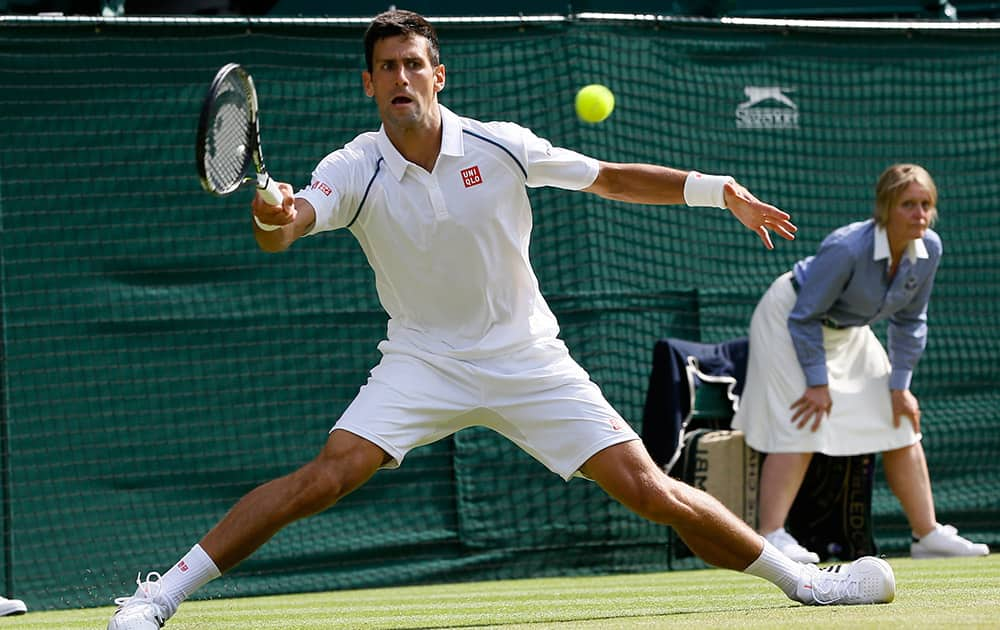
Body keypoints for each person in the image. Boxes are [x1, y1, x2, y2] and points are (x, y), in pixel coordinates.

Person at [107, 10, 896, 629]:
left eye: (414, 63)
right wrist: (273, 212)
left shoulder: (502, 145)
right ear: (369, 85)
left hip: (526, 356)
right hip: (422, 360)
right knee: (326, 476)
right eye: (386, 68)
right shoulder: (353, 166)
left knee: (650, 490)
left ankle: (807, 585)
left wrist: (714, 185)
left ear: (438, 74)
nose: (401, 77)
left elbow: (611, 178)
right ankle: (157, 598)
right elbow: (285, 229)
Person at [732, 163, 990, 563]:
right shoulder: (847, 247)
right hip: (790, 320)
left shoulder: (930, 249)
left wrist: (900, 386)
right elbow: (804, 316)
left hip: (847, 330)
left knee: (900, 416)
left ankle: (927, 535)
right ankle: (773, 536)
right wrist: (817, 384)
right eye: (908, 204)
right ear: (885, 208)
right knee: (802, 418)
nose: (920, 214)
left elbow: (911, 320)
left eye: (926, 205)